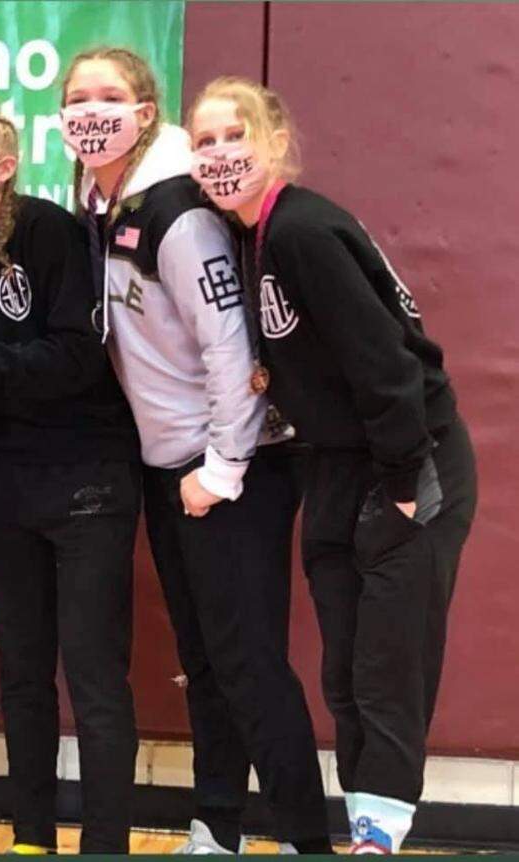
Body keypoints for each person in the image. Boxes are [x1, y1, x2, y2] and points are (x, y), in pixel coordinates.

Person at [188, 76, 477, 855]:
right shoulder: (253, 238)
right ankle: (365, 831)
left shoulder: (302, 231)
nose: (218, 154)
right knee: (344, 671)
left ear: (276, 143)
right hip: (337, 467)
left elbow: (388, 367)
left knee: (386, 667)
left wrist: (402, 483)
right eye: (204, 141)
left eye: (234, 135)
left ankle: (380, 836)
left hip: (405, 462)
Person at [61, 48, 333, 854]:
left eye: (111, 97)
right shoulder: (96, 202)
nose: (92, 112)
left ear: (148, 115)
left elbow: (228, 347)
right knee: (206, 662)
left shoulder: (178, 212)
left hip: (227, 468)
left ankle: (304, 839)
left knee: (249, 662)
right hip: (164, 467)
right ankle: (218, 825)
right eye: (78, 99)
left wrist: (222, 467)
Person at [0, 105, 141, 854]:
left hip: (88, 477)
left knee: (94, 675)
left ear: (5, 167)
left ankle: (105, 842)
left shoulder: (46, 231)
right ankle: (31, 838)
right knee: (20, 674)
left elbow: (78, 356)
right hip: (3, 478)